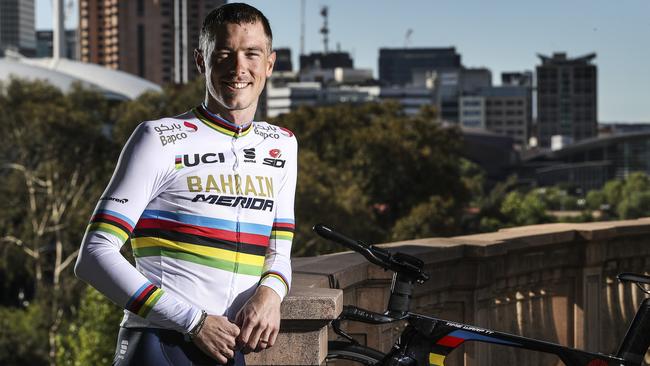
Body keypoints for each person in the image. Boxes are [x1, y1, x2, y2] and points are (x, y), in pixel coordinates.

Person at [74, 3, 296, 365]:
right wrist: (194, 322)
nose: (239, 68)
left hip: (229, 349)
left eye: (251, 54)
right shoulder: (158, 138)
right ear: (200, 61)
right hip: (159, 344)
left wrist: (270, 293)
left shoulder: (283, 145)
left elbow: (280, 250)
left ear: (269, 64)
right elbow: (94, 255)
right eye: (224, 54)